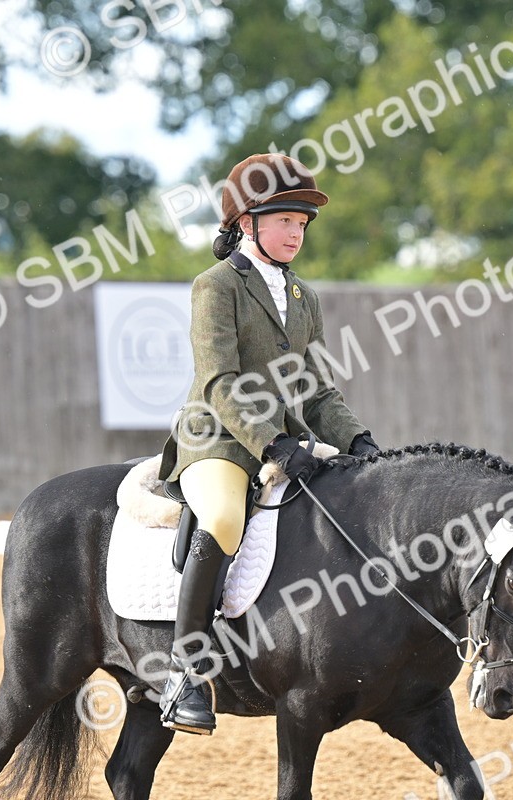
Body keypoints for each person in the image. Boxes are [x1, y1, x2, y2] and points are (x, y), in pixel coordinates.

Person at [157, 153, 380, 734]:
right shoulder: (217, 286)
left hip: (287, 443)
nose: (295, 233)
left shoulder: (304, 297)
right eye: (285, 221)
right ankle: (186, 669)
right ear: (247, 221)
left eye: (302, 224)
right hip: (218, 443)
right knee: (227, 519)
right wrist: (274, 443)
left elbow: (315, 388)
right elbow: (219, 381)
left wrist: (357, 439)